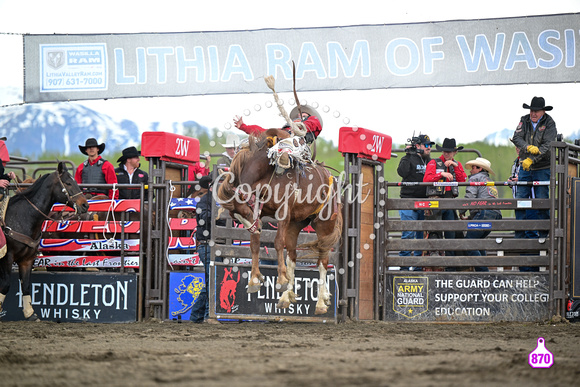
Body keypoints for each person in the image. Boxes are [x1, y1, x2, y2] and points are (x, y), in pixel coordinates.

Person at [511, 96, 557, 272]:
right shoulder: (524, 120)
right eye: (531, 110)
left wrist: (532, 157)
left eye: (536, 110)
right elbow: (517, 137)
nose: (533, 113)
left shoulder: (550, 123)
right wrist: (527, 149)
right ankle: (521, 228)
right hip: (526, 165)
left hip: (542, 166)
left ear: (543, 111)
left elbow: (548, 146)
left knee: (542, 198)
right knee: (521, 196)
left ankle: (543, 230)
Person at [423, 138, 467, 268]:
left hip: (450, 201)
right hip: (436, 200)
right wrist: (441, 174)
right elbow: (426, 179)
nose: (447, 154)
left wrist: (455, 167)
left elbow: (463, 179)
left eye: (450, 152)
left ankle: (450, 265)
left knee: (451, 233)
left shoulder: (456, 164)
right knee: (434, 232)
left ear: (454, 153)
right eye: (445, 151)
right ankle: (435, 263)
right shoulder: (434, 162)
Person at [233, 105, 322, 169]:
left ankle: (285, 157)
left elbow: (312, 124)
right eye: (298, 116)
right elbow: (262, 131)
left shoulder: (313, 120)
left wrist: (297, 128)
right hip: (283, 137)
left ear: (309, 116)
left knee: (289, 141)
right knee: (264, 137)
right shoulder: (283, 130)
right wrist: (243, 127)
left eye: (303, 116)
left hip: (298, 141)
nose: (299, 117)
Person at [396, 134, 435, 271]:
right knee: (408, 233)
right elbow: (402, 172)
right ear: (418, 146)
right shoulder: (408, 158)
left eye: (430, 145)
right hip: (408, 200)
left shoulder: (428, 160)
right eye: (427, 145)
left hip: (423, 200)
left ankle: (418, 266)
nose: (429, 148)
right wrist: (408, 154)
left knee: (420, 234)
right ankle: (404, 267)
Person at [190, 175, 223, 324]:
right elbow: (205, 219)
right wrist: (217, 215)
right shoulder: (205, 202)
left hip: (212, 245)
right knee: (213, 280)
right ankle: (208, 316)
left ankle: (196, 316)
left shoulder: (212, 202)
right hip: (208, 245)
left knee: (212, 280)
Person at [458, 157, 502, 272]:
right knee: (478, 242)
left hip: (484, 212)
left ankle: (483, 272)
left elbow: (470, 197)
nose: (471, 170)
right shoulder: (489, 181)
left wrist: (462, 211)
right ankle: (483, 270)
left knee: (469, 242)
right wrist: (472, 216)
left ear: (479, 168)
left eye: (473, 168)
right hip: (494, 214)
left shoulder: (475, 178)